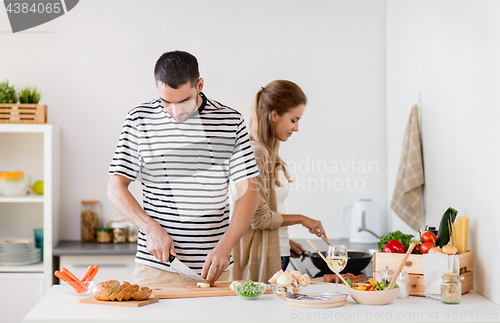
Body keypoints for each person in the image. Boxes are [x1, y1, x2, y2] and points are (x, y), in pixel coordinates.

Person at [107, 51, 260, 286]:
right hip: (157, 269)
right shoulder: (139, 119)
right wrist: (150, 229)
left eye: (183, 101)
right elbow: (116, 188)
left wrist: (226, 246)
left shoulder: (230, 121)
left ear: (199, 85)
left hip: (214, 270)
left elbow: (249, 191)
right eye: (166, 102)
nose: (175, 112)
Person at [230, 80, 326, 282]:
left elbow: (267, 211)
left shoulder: (267, 152)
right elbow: (259, 218)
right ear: (274, 115)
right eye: (293, 120)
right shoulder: (256, 154)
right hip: (264, 259)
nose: (297, 128)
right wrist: (302, 219)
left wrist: (283, 240)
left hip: (277, 251)